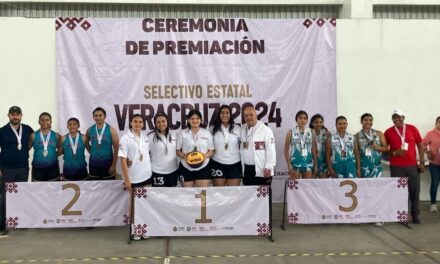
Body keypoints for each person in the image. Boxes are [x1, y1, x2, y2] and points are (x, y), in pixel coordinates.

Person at [385, 110, 425, 224]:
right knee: (399, 193)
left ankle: (415, 215)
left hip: (412, 165)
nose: (397, 119)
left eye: (399, 117)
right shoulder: (388, 132)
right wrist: (394, 153)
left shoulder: (412, 128)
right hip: (397, 166)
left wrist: (421, 162)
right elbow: (385, 150)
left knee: (414, 191)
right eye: (394, 117)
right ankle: (401, 216)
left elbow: (420, 145)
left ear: (404, 117)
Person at [0, 106, 34, 235]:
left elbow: (31, 142)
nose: (15, 116)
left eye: (17, 114)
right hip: (6, 168)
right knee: (5, 197)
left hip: (23, 168)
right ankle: (2, 225)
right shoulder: (2, 131)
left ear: (21, 115)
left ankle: (20, 222)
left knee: (21, 195)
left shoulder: (27, 129)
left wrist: (24, 150)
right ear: (8, 116)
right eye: (13, 114)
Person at [118, 114, 152, 240]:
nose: (138, 124)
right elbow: (122, 160)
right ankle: (134, 229)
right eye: (135, 122)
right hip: (133, 178)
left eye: (140, 122)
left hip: (146, 175)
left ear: (143, 124)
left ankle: (142, 229)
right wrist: (127, 180)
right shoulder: (125, 138)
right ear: (131, 123)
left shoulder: (144, 136)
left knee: (143, 204)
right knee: (134, 204)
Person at [176, 109, 214, 187]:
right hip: (186, 167)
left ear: (201, 120)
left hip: (203, 167)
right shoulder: (182, 133)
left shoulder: (206, 133)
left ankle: (202, 200)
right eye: (192, 118)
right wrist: (184, 156)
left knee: (202, 195)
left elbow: (212, 150)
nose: (195, 121)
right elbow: (177, 151)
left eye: (197, 118)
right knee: (188, 195)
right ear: (188, 120)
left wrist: (204, 156)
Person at [240, 106, 276, 186]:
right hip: (247, 170)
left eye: (251, 115)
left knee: (264, 196)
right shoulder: (242, 129)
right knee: (249, 196)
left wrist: (269, 167)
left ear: (256, 115)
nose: (249, 117)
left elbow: (271, 150)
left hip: (262, 169)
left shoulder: (266, 130)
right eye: (246, 115)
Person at [210, 105, 242, 186]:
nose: (225, 115)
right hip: (217, 163)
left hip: (235, 164)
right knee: (219, 193)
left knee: (233, 193)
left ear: (230, 115)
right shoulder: (212, 129)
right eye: (222, 113)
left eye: (227, 113)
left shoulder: (237, 128)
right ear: (219, 115)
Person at [86, 107, 119, 180]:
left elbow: (116, 149)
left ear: (105, 116)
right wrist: (91, 151)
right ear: (93, 117)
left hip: (108, 163)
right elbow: (85, 141)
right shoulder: (89, 130)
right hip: (93, 163)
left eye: (100, 115)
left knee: (108, 188)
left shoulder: (111, 130)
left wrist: (113, 165)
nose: (98, 117)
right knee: (94, 187)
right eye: (96, 116)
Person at [147, 112, 179, 187]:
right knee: (158, 197)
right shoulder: (150, 137)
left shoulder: (174, 134)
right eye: (158, 122)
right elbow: (143, 153)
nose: (161, 124)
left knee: (172, 196)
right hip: (157, 171)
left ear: (167, 121)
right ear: (155, 123)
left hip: (173, 171)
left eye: (163, 121)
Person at [284, 110, 317, 179]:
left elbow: (313, 149)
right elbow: (285, 150)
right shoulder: (291, 132)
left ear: (307, 120)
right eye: (300, 118)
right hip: (295, 163)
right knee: (296, 187)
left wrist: (316, 164)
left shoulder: (311, 132)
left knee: (307, 187)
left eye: (305, 118)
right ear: (296, 119)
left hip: (308, 162)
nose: (303, 120)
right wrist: (288, 164)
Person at [30, 112, 61, 181]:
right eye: (42, 120)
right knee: (38, 190)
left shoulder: (56, 135)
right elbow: (26, 149)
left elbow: (61, 149)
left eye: (47, 120)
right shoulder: (33, 135)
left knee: (54, 190)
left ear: (51, 122)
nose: (45, 122)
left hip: (53, 167)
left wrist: (54, 155)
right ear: (39, 122)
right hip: (38, 168)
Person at [355, 113, 388, 178]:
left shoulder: (379, 133)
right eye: (366, 120)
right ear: (361, 122)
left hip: (377, 166)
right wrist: (358, 169)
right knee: (365, 186)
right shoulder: (356, 136)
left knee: (377, 185)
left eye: (370, 120)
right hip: (364, 166)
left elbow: (386, 148)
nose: (368, 122)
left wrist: (377, 147)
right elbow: (357, 154)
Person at [422, 116, 440, 213]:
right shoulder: (430, 134)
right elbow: (422, 144)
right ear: (436, 123)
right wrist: (428, 153)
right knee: (435, 183)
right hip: (435, 164)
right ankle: (433, 204)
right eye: (439, 122)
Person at [309, 114, 330, 178]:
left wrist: (330, 165)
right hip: (311, 162)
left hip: (323, 163)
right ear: (312, 123)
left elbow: (329, 150)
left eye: (320, 122)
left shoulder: (326, 133)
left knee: (323, 185)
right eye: (316, 122)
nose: (319, 124)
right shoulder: (308, 133)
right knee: (311, 185)